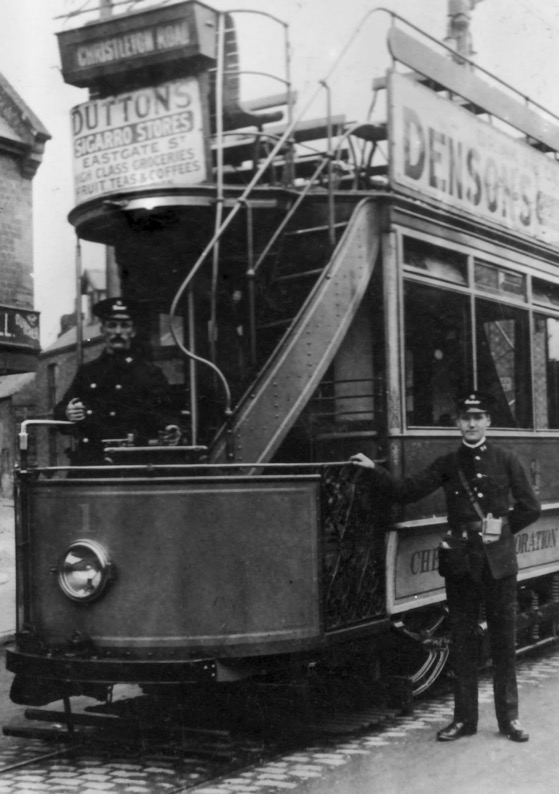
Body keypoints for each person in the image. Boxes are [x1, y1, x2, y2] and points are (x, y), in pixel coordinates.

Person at [350, 390, 540, 743]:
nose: (471, 423)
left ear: (487, 422)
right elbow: (406, 490)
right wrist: (374, 470)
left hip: (498, 561)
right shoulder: (448, 464)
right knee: (463, 642)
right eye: (465, 418)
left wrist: (500, 528)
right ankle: (464, 720)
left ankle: (509, 720)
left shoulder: (506, 459)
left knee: (502, 641)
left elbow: (531, 507)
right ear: (457, 424)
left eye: (478, 417)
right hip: (460, 563)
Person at [54, 297, 181, 465]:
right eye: (112, 325)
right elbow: (60, 411)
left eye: (125, 325)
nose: (118, 332)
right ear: (103, 330)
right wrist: (68, 412)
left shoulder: (150, 373)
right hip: (91, 462)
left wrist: (170, 427)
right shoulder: (88, 372)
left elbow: (166, 412)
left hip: (136, 463)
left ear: (133, 331)